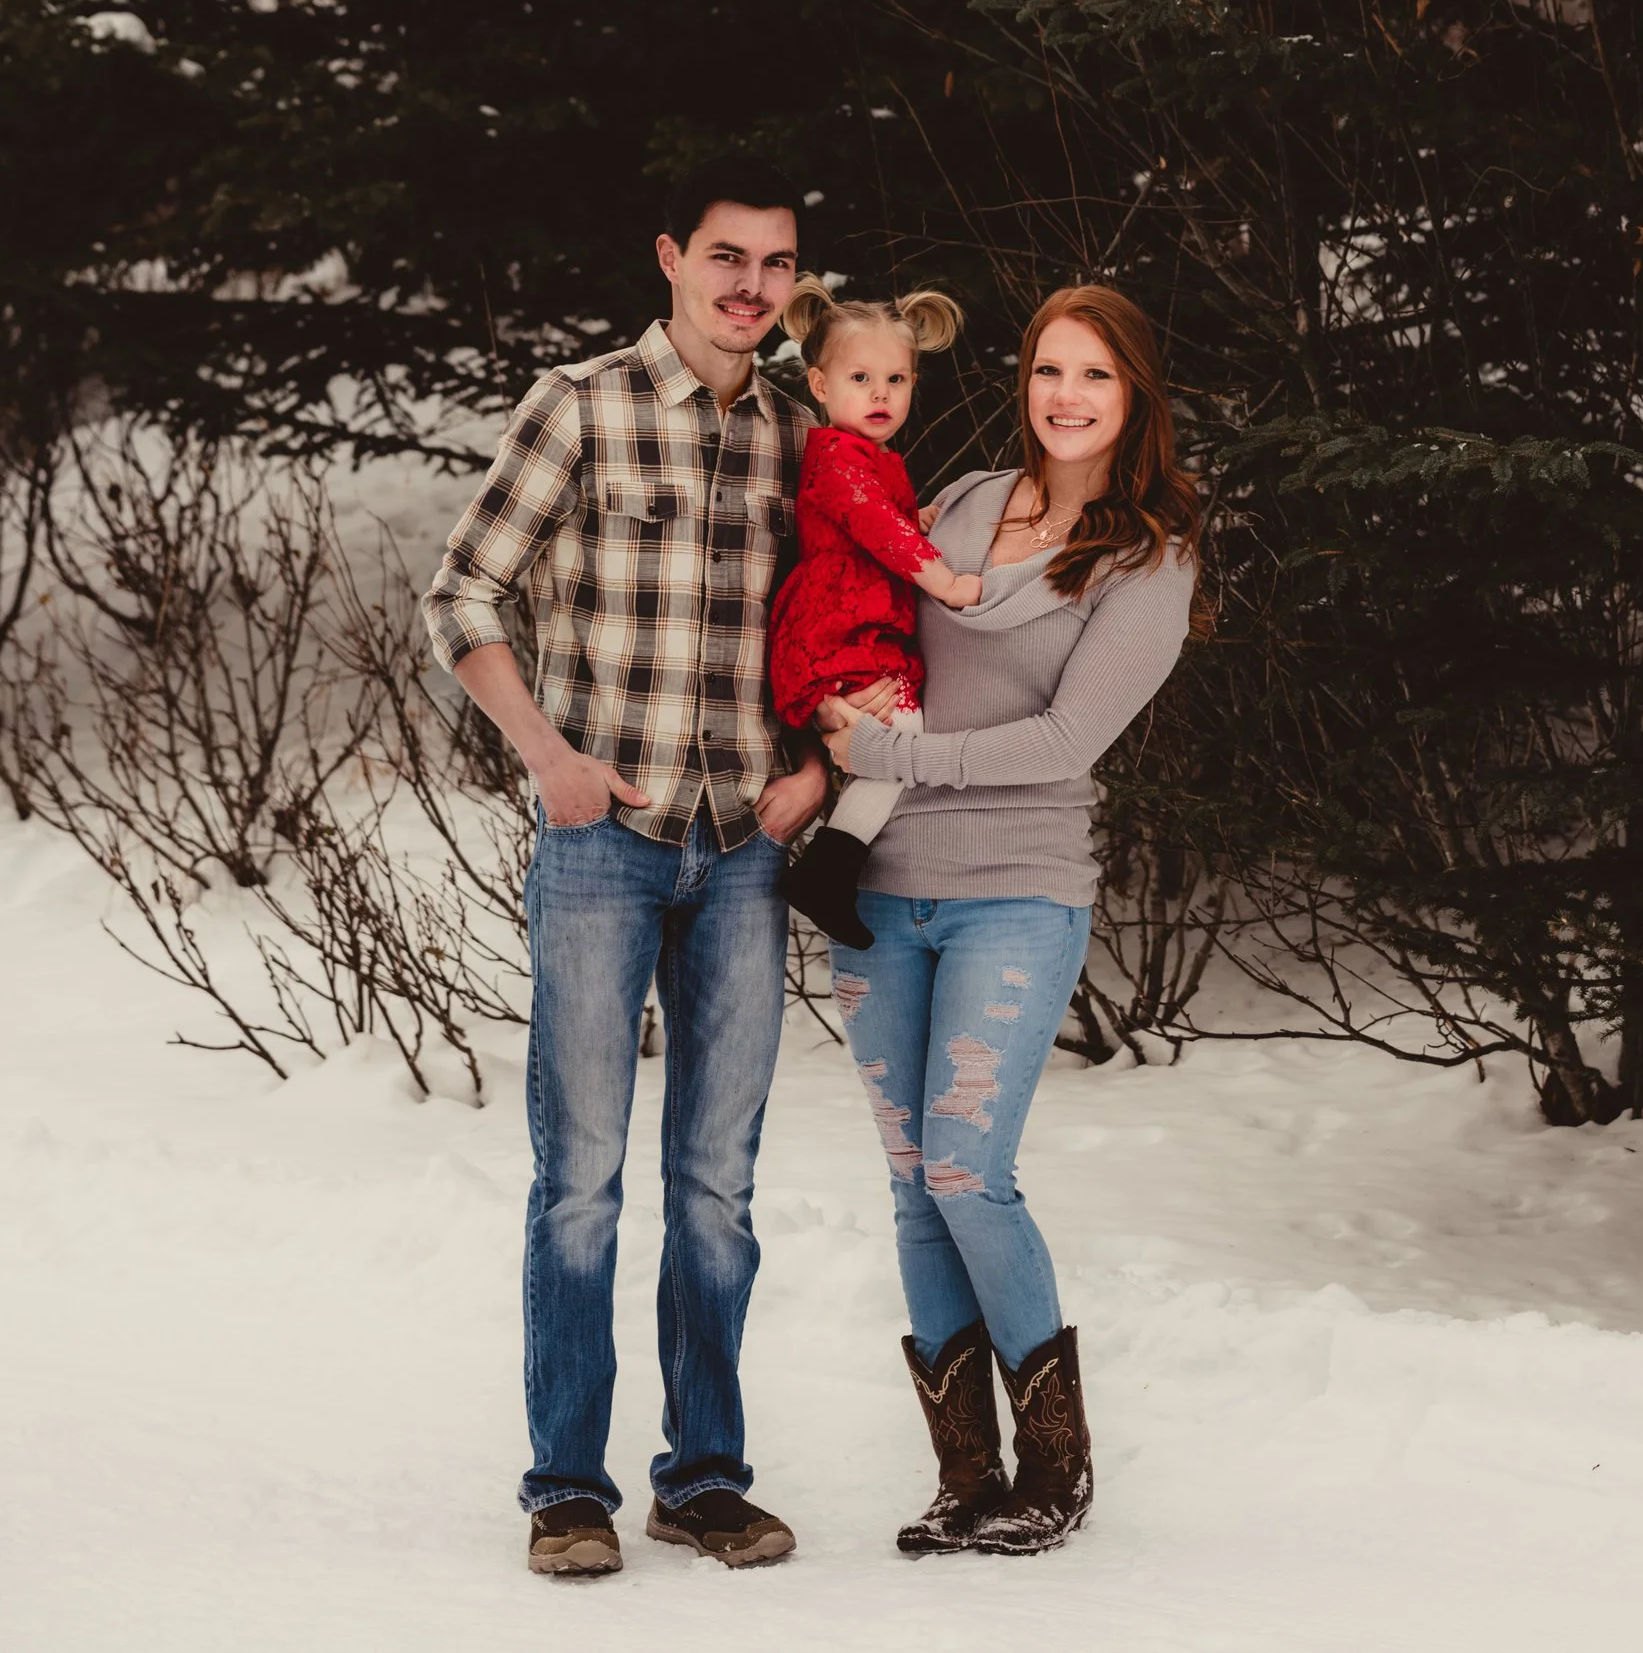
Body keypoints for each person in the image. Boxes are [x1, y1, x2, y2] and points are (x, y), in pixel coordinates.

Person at [421, 153, 827, 1576]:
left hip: (745, 854)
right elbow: (463, 584)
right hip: (603, 842)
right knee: (581, 1173)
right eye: (728, 257)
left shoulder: (798, 430)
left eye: (777, 265)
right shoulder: (581, 404)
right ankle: (566, 1485)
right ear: (672, 256)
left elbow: (851, 624)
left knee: (717, 1182)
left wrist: (819, 774)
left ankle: (703, 1473)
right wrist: (545, 752)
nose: (751, 289)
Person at [815, 283, 1204, 1558]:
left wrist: (891, 754)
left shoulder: (1149, 555)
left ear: (1133, 392)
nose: (1068, 396)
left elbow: (1064, 739)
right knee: (914, 1188)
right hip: (873, 888)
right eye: (1049, 369)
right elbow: (868, 612)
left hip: (1016, 890)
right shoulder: (970, 501)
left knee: (970, 1170)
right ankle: (964, 1476)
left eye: (1095, 374)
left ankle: (1055, 1469)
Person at [767, 280, 983, 950]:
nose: (881, 393)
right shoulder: (834, 453)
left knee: (896, 736)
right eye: (861, 378)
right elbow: (872, 528)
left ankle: (833, 867)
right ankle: (830, 868)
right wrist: (946, 581)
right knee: (901, 737)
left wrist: (912, 515)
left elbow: (877, 519)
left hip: (858, 625)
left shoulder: (874, 458)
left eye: (896, 378)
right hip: (837, 626)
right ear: (820, 385)